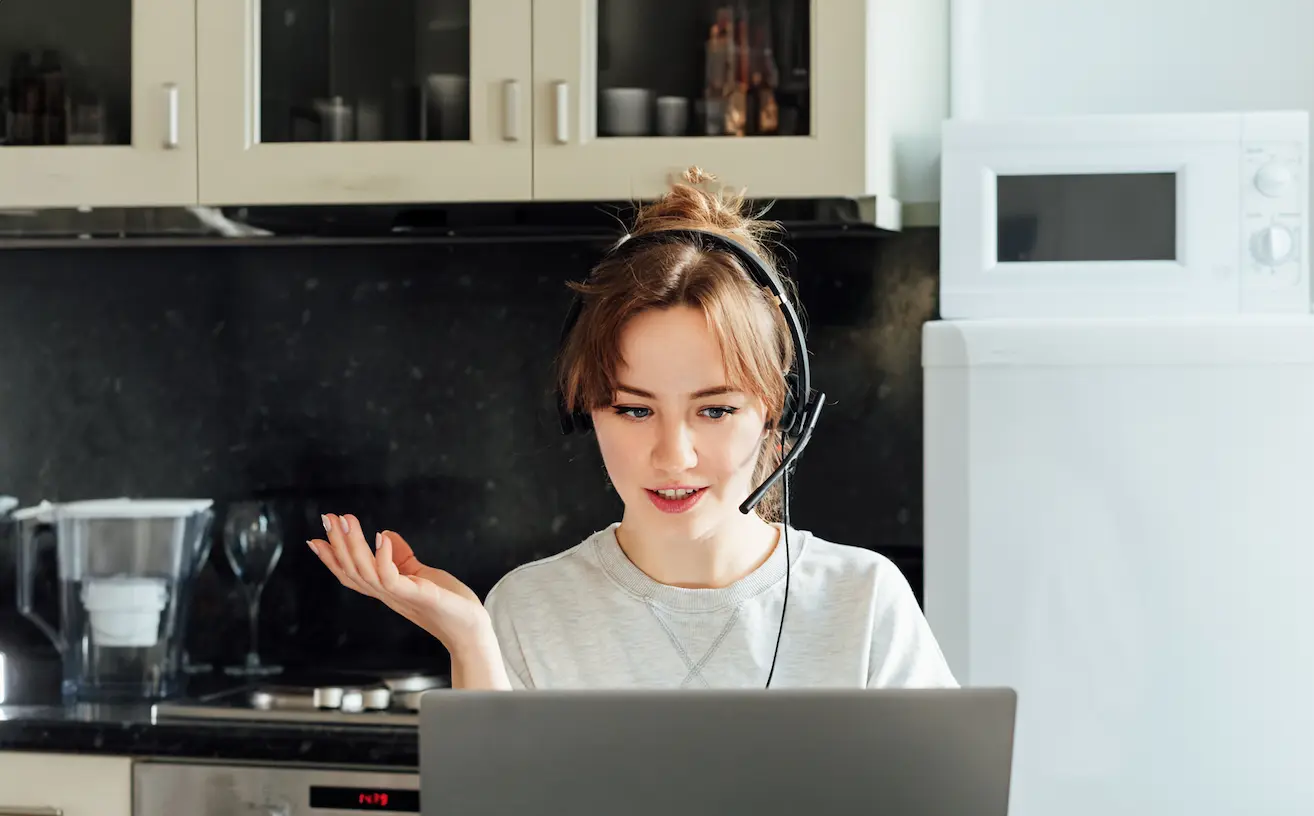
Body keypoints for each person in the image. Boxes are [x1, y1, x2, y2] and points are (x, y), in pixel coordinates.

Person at [308, 167, 956, 690]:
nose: (673, 456)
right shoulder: (529, 611)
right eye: (635, 409)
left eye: (716, 409)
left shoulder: (864, 603)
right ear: (584, 410)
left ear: (774, 412)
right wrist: (469, 638)